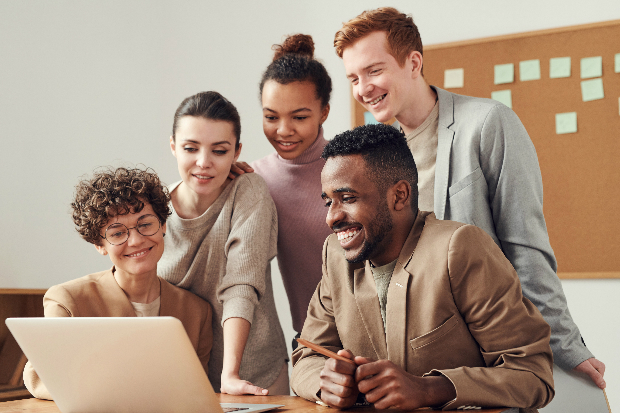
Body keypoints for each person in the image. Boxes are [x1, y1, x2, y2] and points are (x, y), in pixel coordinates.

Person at [333, 7, 605, 389]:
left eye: (374, 71)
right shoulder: (375, 155)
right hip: (410, 363)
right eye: (353, 78)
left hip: (487, 357)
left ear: (413, 62)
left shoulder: (487, 123)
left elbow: (525, 247)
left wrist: (567, 347)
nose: (362, 89)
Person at [291, 124, 554, 410]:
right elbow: (306, 356)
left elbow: (533, 375)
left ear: (400, 195)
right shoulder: (335, 255)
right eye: (328, 201)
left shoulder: (459, 249)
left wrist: (429, 389)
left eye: (348, 199)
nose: (332, 217)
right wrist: (326, 382)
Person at [23, 167, 213, 400]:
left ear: (163, 226)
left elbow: (196, 393)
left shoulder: (196, 312)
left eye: (145, 224)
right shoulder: (67, 301)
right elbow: (41, 377)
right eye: (117, 233)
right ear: (99, 244)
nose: (136, 240)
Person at [157, 91, 288, 395]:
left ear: (236, 152)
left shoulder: (248, 191)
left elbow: (241, 282)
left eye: (219, 151)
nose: (204, 163)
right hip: (181, 377)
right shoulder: (154, 207)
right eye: (191, 148)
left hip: (252, 374)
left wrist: (230, 374)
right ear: (174, 147)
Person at [250, 34, 333, 348]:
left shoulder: (352, 166)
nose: (283, 130)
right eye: (271, 117)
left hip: (380, 335)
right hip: (312, 341)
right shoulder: (255, 178)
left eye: (299, 117)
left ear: (324, 111)